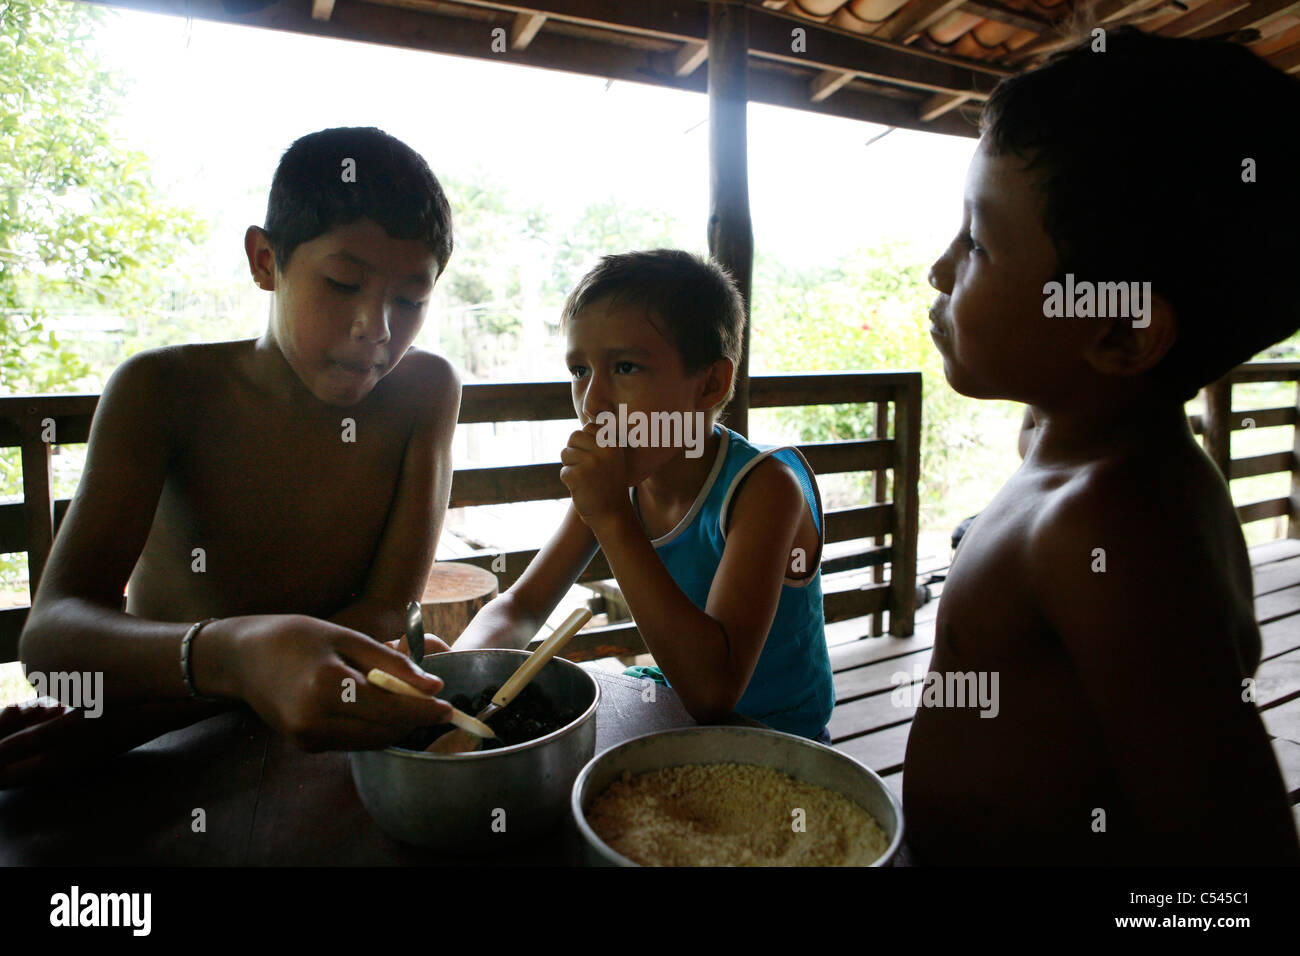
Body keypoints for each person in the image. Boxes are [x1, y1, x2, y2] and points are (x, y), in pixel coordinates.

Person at [905, 28, 1300, 864]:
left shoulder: (1112, 526)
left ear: (1122, 330)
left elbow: (1237, 870)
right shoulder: (1072, 443)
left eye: (977, 241)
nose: (941, 269)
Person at [4, 127, 459, 787]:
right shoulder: (161, 390)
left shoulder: (426, 391)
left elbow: (388, 610)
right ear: (265, 260)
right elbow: (52, 640)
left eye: (411, 300)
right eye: (341, 283)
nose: (376, 329)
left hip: (287, 748)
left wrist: (163, 705)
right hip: (171, 767)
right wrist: (236, 659)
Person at [455, 250, 836, 740]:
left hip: (775, 740)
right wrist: (448, 674)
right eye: (579, 371)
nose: (592, 402)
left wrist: (612, 515)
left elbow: (714, 693)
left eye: (626, 367)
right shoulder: (620, 486)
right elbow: (521, 608)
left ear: (711, 383)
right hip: (672, 708)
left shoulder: (765, 489)